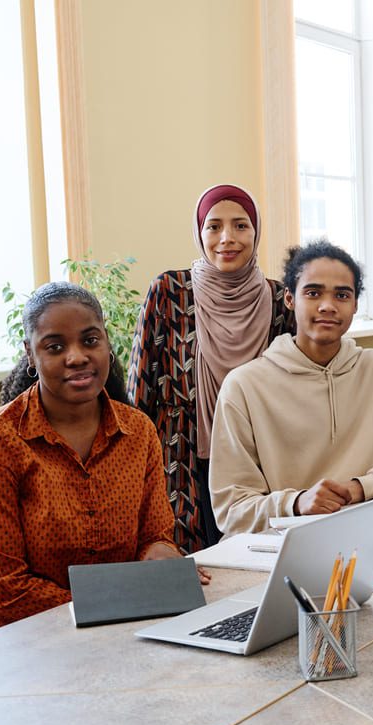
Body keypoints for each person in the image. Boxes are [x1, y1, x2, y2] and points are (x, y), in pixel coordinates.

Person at [0, 283, 207, 648]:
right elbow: (8, 592)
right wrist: (112, 603)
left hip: (111, 625)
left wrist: (162, 557)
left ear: (107, 344)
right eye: (55, 347)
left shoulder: (138, 431)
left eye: (90, 340)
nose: (77, 356)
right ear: (30, 355)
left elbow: (153, 537)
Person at [210, 240, 373, 535]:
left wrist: (362, 488)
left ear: (355, 305)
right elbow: (231, 509)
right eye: (313, 293)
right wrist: (297, 503)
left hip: (366, 534)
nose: (328, 306)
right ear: (289, 299)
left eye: (342, 295)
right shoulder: (243, 385)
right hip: (280, 545)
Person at [127, 183, 294, 553]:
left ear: (256, 232)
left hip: (257, 455)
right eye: (214, 226)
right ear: (199, 233)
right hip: (180, 453)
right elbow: (139, 385)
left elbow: (294, 387)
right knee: (192, 569)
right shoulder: (169, 291)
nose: (227, 238)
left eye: (240, 225)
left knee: (256, 559)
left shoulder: (279, 300)